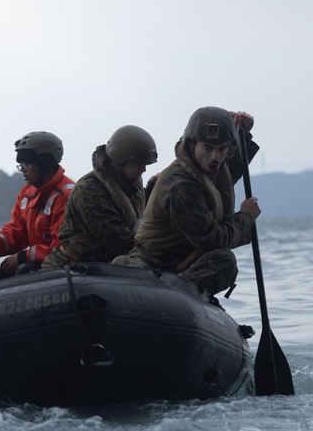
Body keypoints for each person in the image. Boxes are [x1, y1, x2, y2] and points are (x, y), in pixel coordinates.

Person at [112, 106, 261, 296]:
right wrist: (246, 217)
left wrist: (242, 134)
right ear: (192, 146)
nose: (215, 157)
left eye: (222, 149)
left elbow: (231, 169)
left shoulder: (213, 168)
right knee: (223, 257)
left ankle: (181, 299)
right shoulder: (180, 185)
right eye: (207, 148)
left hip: (186, 262)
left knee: (224, 262)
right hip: (153, 262)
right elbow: (213, 240)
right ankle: (169, 299)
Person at [41, 125, 157, 270]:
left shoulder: (130, 184)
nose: (143, 169)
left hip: (103, 265)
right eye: (138, 164)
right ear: (120, 161)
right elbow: (119, 240)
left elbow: (137, 210)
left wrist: (158, 189)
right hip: (71, 267)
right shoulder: (89, 191)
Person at [0, 131, 74, 278]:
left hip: (65, 266)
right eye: (21, 165)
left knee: (24, 271)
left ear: (45, 163)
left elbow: (62, 247)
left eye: (27, 164)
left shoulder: (66, 195)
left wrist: (21, 258)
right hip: (39, 262)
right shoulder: (27, 193)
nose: (23, 170)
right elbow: (17, 231)